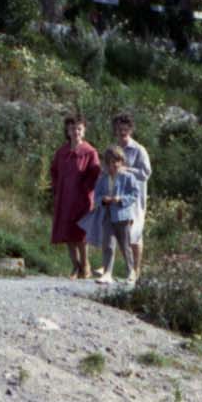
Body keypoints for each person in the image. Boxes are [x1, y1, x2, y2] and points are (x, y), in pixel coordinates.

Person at [97, 107, 151, 286]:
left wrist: (127, 170)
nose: (121, 133)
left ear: (130, 129)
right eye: (118, 130)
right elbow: (106, 168)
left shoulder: (139, 150)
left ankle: (136, 270)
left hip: (134, 198)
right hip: (114, 199)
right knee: (114, 234)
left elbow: (146, 172)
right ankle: (111, 269)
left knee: (134, 235)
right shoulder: (114, 148)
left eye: (124, 130)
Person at [48, 112, 100, 280]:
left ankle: (86, 265)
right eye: (72, 129)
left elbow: (95, 173)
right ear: (67, 131)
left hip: (82, 198)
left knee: (81, 234)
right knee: (67, 233)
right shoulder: (61, 152)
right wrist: (57, 188)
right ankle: (75, 266)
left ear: (83, 131)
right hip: (64, 197)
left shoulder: (90, 152)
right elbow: (54, 171)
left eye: (78, 129)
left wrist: (86, 189)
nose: (75, 132)